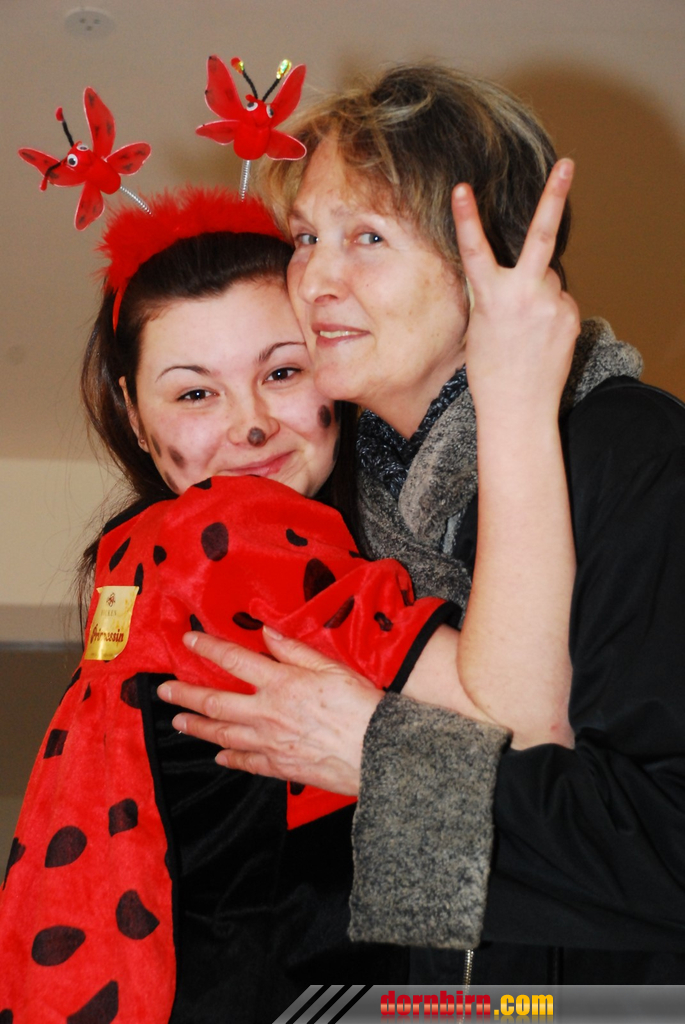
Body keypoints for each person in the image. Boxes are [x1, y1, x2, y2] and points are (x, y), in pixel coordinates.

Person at [0, 181, 574, 1024]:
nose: (252, 424)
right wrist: (518, 401)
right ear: (133, 413)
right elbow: (522, 719)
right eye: (195, 393)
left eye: (282, 371)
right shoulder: (231, 534)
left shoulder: (135, 565)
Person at [160, 63, 685, 984]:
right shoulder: (332, 509)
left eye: (366, 236)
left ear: (490, 263)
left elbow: (666, 843)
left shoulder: (625, 451)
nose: (315, 279)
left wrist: (378, 754)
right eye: (305, 238)